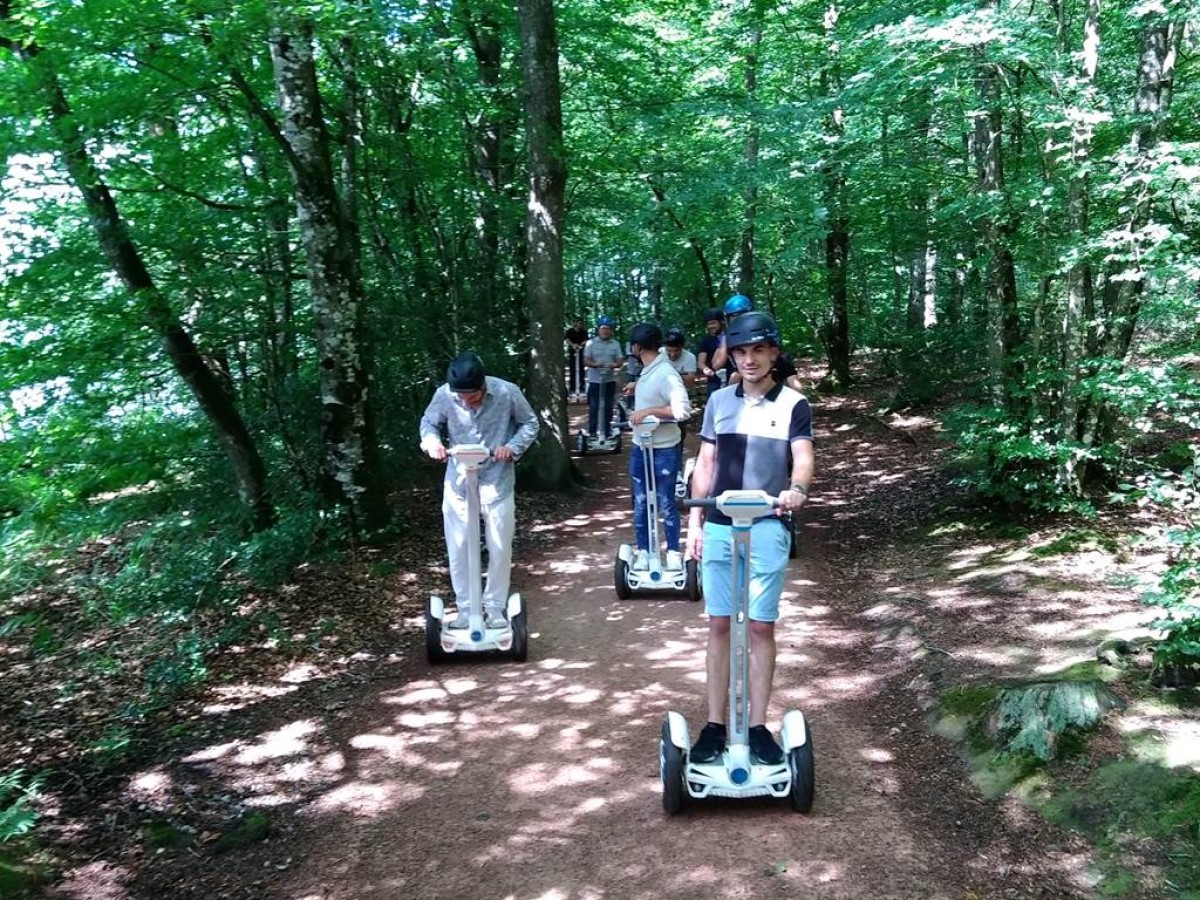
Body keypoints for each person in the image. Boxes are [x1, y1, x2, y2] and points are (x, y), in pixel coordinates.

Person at [685, 311, 814, 767]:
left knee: (761, 626)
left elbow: (802, 457)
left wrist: (796, 490)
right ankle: (715, 724)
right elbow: (705, 465)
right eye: (741, 351)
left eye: (759, 350)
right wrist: (694, 526)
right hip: (720, 524)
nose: (750, 359)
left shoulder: (793, 405)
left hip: (766, 524)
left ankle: (758, 726)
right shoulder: (719, 401)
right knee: (719, 624)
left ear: (774, 354)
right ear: (731, 357)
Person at [419, 352, 540, 629]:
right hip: (459, 485)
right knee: (459, 548)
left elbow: (530, 423)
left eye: (470, 396)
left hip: (497, 482)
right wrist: (433, 443)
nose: (465, 401)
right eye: (460, 396)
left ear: (483, 386)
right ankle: (466, 609)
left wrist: (512, 447)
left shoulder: (507, 392)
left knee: (499, 548)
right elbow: (429, 423)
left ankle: (495, 609)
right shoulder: (445, 395)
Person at [627, 323, 691, 571]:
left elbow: (682, 411)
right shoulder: (648, 371)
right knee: (641, 501)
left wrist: (648, 411)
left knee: (666, 502)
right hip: (640, 446)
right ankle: (644, 551)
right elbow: (653, 393)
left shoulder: (666, 373)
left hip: (664, 448)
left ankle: (673, 551)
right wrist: (636, 389)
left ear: (638, 346)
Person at [710, 294, 804, 392]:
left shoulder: (766, 335)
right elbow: (716, 365)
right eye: (741, 352)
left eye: (758, 350)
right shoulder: (727, 339)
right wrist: (727, 338)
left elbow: (794, 382)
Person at [583, 315, 623, 439]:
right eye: (603, 328)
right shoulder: (591, 343)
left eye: (608, 328)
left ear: (611, 330)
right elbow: (586, 360)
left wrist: (614, 364)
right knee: (594, 407)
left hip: (609, 381)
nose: (605, 331)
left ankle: (607, 431)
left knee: (608, 407)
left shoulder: (615, 344)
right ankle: (593, 432)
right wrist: (595, 364)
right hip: (595, 381)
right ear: (599, 329)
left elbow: (620, 360)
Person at [696, 307, 725, 397]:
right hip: (715, 380)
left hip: (733, 377)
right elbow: (701, 362)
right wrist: (706, 370)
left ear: (721, 322)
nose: (710, 326)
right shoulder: (706, 341)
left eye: (713, 323)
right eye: (708, 324)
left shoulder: (729, 336)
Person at [565, 318, 588, 397]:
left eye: (582, 323)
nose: (580, 325)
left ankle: (581, 387)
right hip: (572, 352)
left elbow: (586, 340)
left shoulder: (584, 332)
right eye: (579, 323)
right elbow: (567, 339)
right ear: (575, 323)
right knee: (572, 369)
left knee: (581, 370)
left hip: (581, 352)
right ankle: (572, 388)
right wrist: (573, 345)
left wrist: (580, 345)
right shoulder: (570, 331)